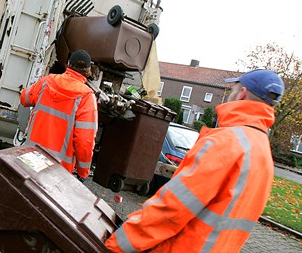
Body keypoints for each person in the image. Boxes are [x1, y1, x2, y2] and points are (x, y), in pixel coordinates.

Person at [105, 69, 285, 252]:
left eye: (232, 90)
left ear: (242, 93)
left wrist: (119, 243)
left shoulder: (225, 142)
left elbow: (173, 208)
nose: (229, 95)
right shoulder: (263, 154)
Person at [20, 49, 98, 182]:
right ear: (88, 70)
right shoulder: (86, 97)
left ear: (68, 64)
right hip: (58, 169)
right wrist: (83, 172)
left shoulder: (47, 81)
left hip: (31, 155)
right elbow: (85, 140)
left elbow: (25, 98)